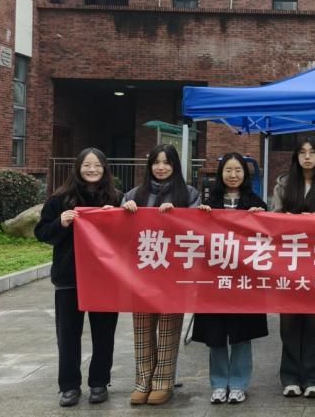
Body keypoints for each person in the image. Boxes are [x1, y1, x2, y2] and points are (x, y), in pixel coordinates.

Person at [34, 148, 121, 407]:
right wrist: (60, 223)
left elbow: (128, 236)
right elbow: (41, 232)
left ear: (105, 169)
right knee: (68, 335)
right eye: (87, 165)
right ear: (78, 168)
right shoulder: (60, 199)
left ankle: (99, 383)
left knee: (104, 334)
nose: (92, 170)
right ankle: (69, 386)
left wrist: (118, 216)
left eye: (97, 165)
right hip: (69, 277)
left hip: (105, 278)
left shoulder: (116, 197)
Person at [122, 144, 201, 405]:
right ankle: (142, 381)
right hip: (141, 274)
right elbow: (118, 229)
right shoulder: (134, 194)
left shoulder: (188, 194)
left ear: (175, 166)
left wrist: (180, 215)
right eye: (156, 162)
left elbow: (198, 227)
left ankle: (163, 382)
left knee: (168, 329)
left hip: (173, 273)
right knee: (142, 328)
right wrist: (125, 210)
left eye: (167, 162)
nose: (161, 167)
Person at [270, 136, 315, 399]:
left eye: (312, 152)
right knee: (288, 320)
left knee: (314, 321)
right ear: (296, 156)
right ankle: (290, 377)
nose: (307, 157)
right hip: (288, 260)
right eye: (302, 152)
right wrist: (286, 220)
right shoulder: (284, 183)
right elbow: (273, 217)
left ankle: (314, 378)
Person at [193, 153, 268, 404]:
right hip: (213, 279)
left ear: (245, 174)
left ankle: (238, 383)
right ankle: (218, 383)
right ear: (221, 173)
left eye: (238, 170)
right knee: (215, 334)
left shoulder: (256, 203)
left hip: (244, 281)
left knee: (241, 333)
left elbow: (268, 239)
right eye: (228, 170)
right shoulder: (208, 203)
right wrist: (200, 217)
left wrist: (261, 217)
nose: (233, 175)